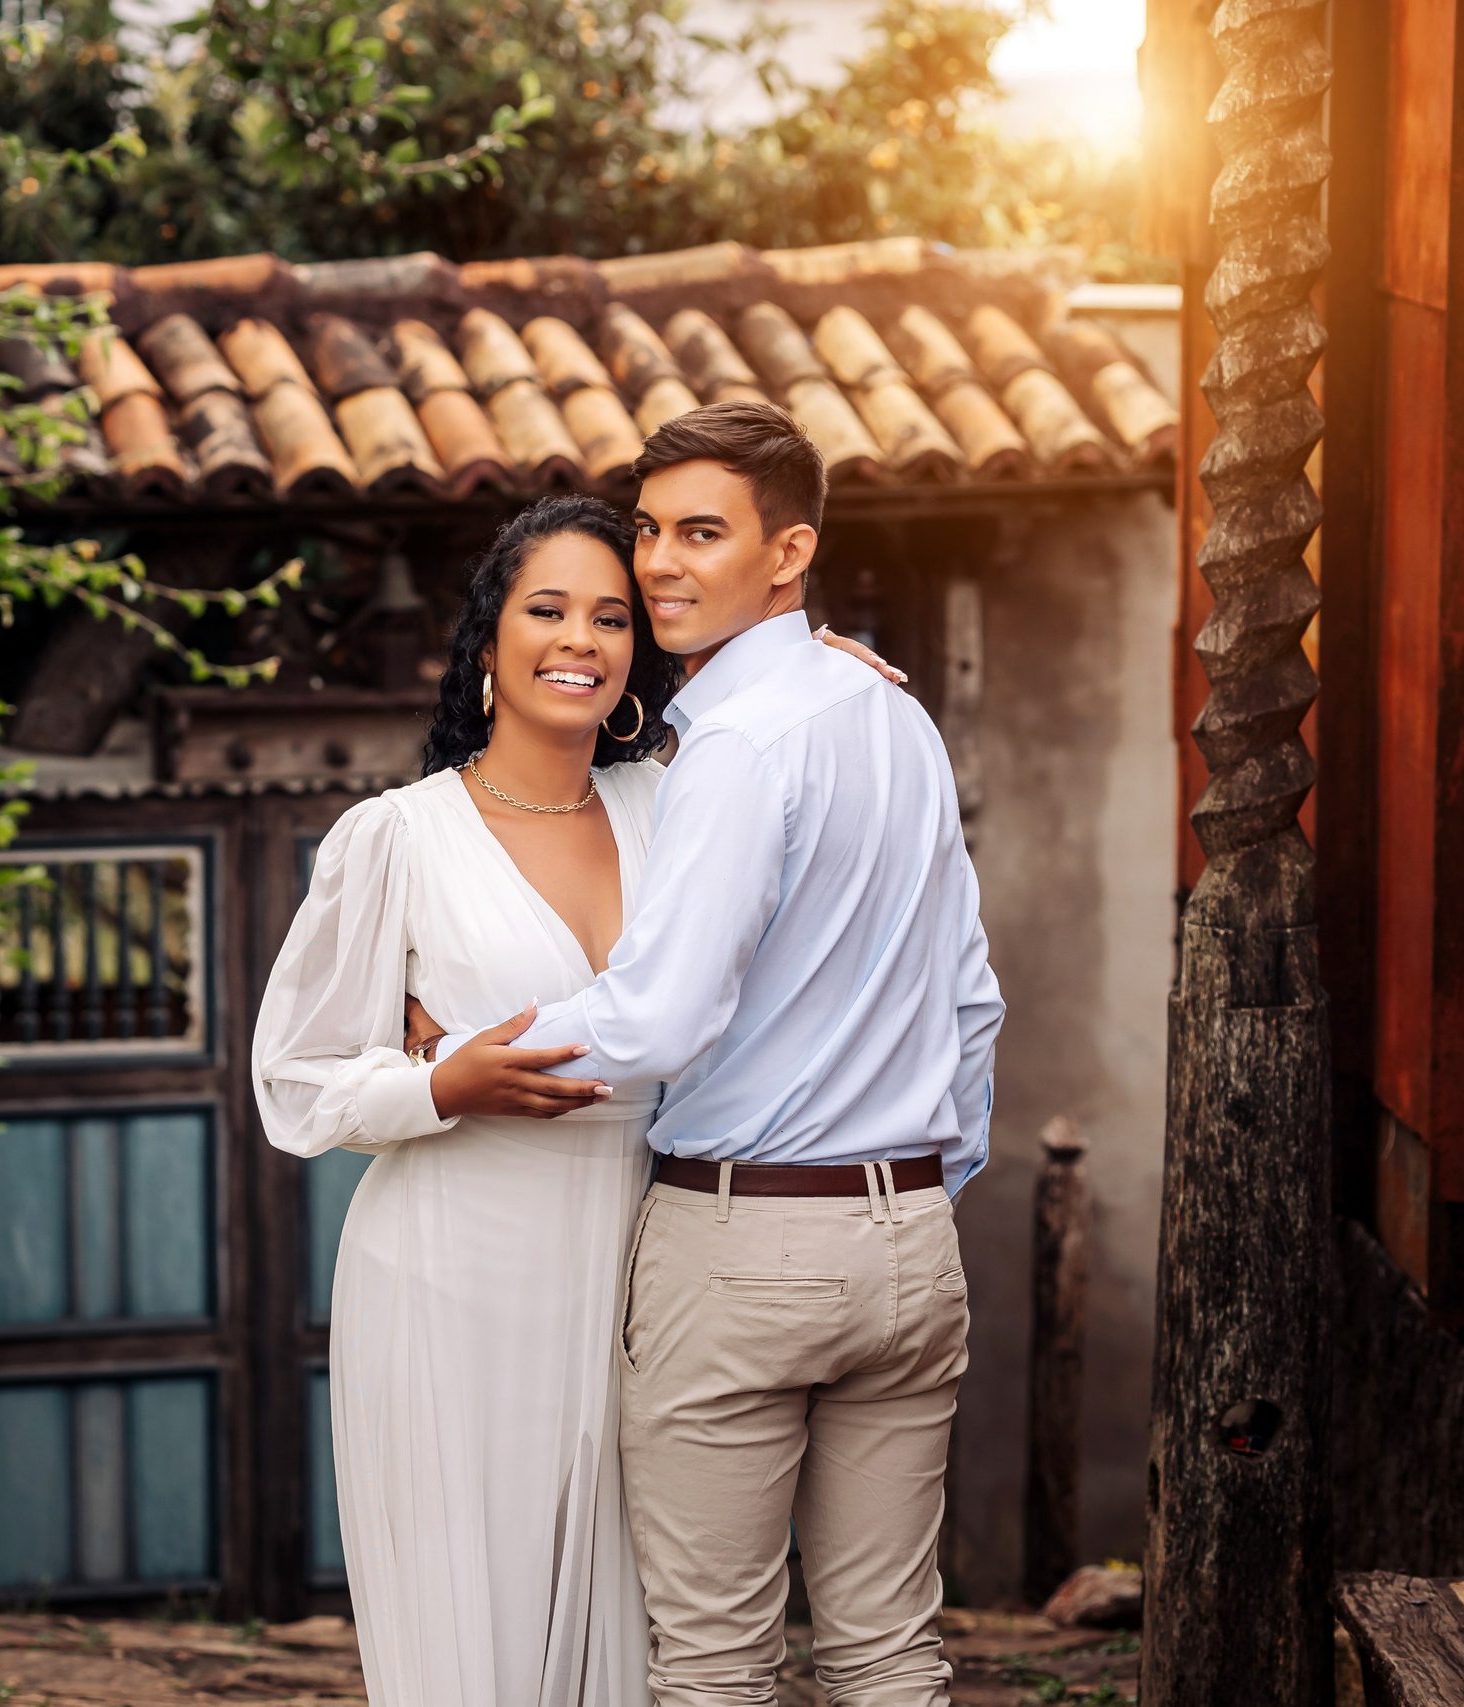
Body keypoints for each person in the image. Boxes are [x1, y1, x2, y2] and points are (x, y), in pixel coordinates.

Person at [252, 493, 897, 1707]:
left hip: (652, 1264)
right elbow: (295, 1081)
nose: (580, 640)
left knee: (649, 1615)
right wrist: (444, 1083)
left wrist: (822, 673)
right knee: (472, 1619)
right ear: (488, 641)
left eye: (610, 616)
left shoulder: (682, 802)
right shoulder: (395, 839)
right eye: (546, 610)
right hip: (452, 1267)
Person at [423, 402, 1003, 1707]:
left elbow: (660, 1015)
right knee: (890, 1651)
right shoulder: (890, 711)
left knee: (716, 1663)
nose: (662, 563)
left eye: (702, 532)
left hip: (744, 1242)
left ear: (788, 550)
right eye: (648, 532)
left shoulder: (740, 743)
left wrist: (456, 1050)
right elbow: (974, 998)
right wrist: (920, 1187)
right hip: (910, 1234)